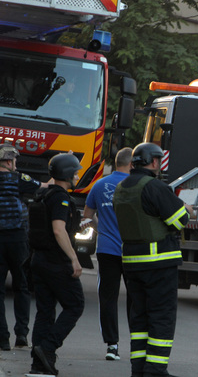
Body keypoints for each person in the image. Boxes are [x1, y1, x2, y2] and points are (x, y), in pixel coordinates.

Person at [113, 142, 194, 377]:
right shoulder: (155, 186)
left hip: (131, 263)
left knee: (139, 320)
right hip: (159, 263)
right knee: (161, 317)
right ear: (155, 162)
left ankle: (139, 370)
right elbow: (179, 221)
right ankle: (156, 371)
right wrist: (186, 208)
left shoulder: (121, 187)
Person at [28, 153, 85, 375]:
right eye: (76, 172)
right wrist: (73, 259)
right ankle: (48, 347)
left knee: (45, 312)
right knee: (75, 305)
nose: (78, 175)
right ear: (67, 174)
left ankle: (39, 364)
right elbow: (58, 230)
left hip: (39, 260)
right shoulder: (60, 198)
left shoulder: (43, 194)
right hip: (56, 262)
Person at [83, 147, 133, 361]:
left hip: (107, 249)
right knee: (136, 298)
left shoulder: (100, 185)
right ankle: (139, 345)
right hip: (133, 251)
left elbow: (86, 217)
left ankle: (112, 346)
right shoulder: (136, 186)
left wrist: (101, 227)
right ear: (132, 164)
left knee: (108, 298)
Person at [0, 144, 45, 351]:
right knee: (22, 287)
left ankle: (2, 338)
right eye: (15, 161)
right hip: (18, 240)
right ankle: (21, 334)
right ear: (9, 162)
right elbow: (45, 186)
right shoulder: (19, 179)